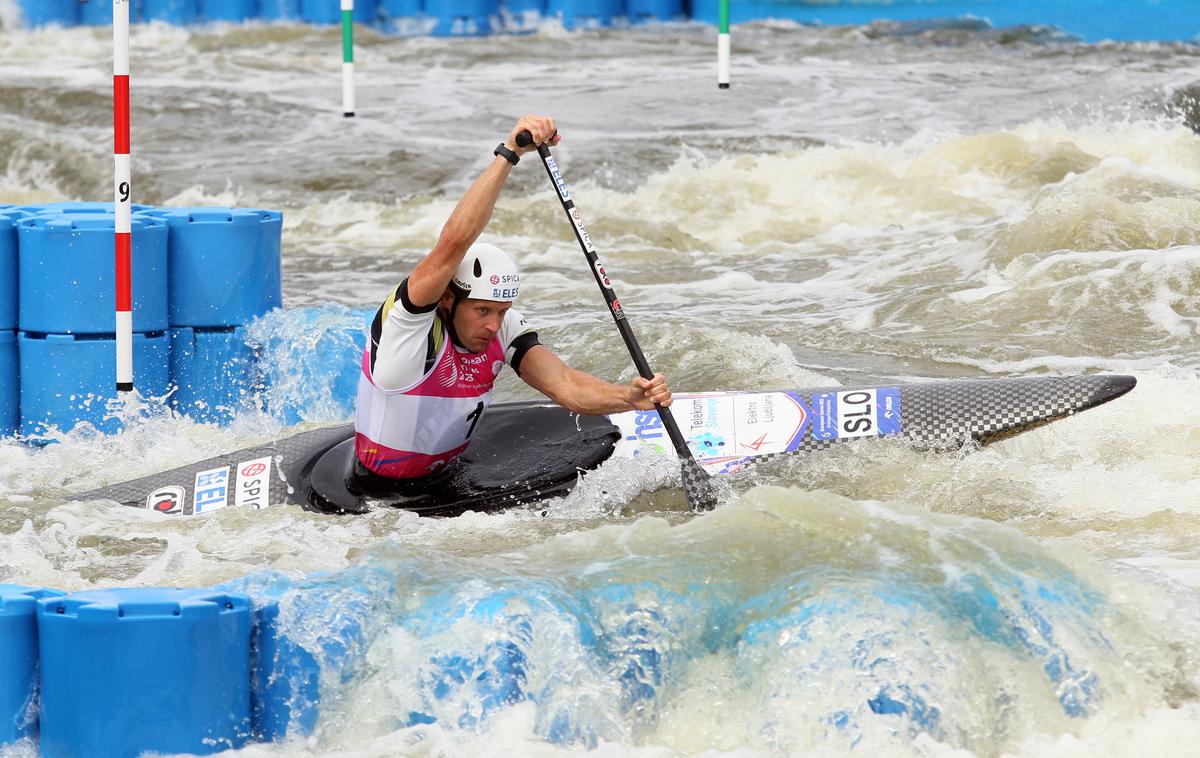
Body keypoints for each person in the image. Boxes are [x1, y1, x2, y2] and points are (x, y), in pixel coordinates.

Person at [352, 115, 672, 491]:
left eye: (500, 311)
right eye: (482, 311)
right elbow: (453, 243)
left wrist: (629, 398)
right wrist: (510, 153)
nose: (494, 324)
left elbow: (564, 385)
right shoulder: (407, 330)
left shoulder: (503, 326)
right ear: (448, 300)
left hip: (449, 475)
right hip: (374, 487)